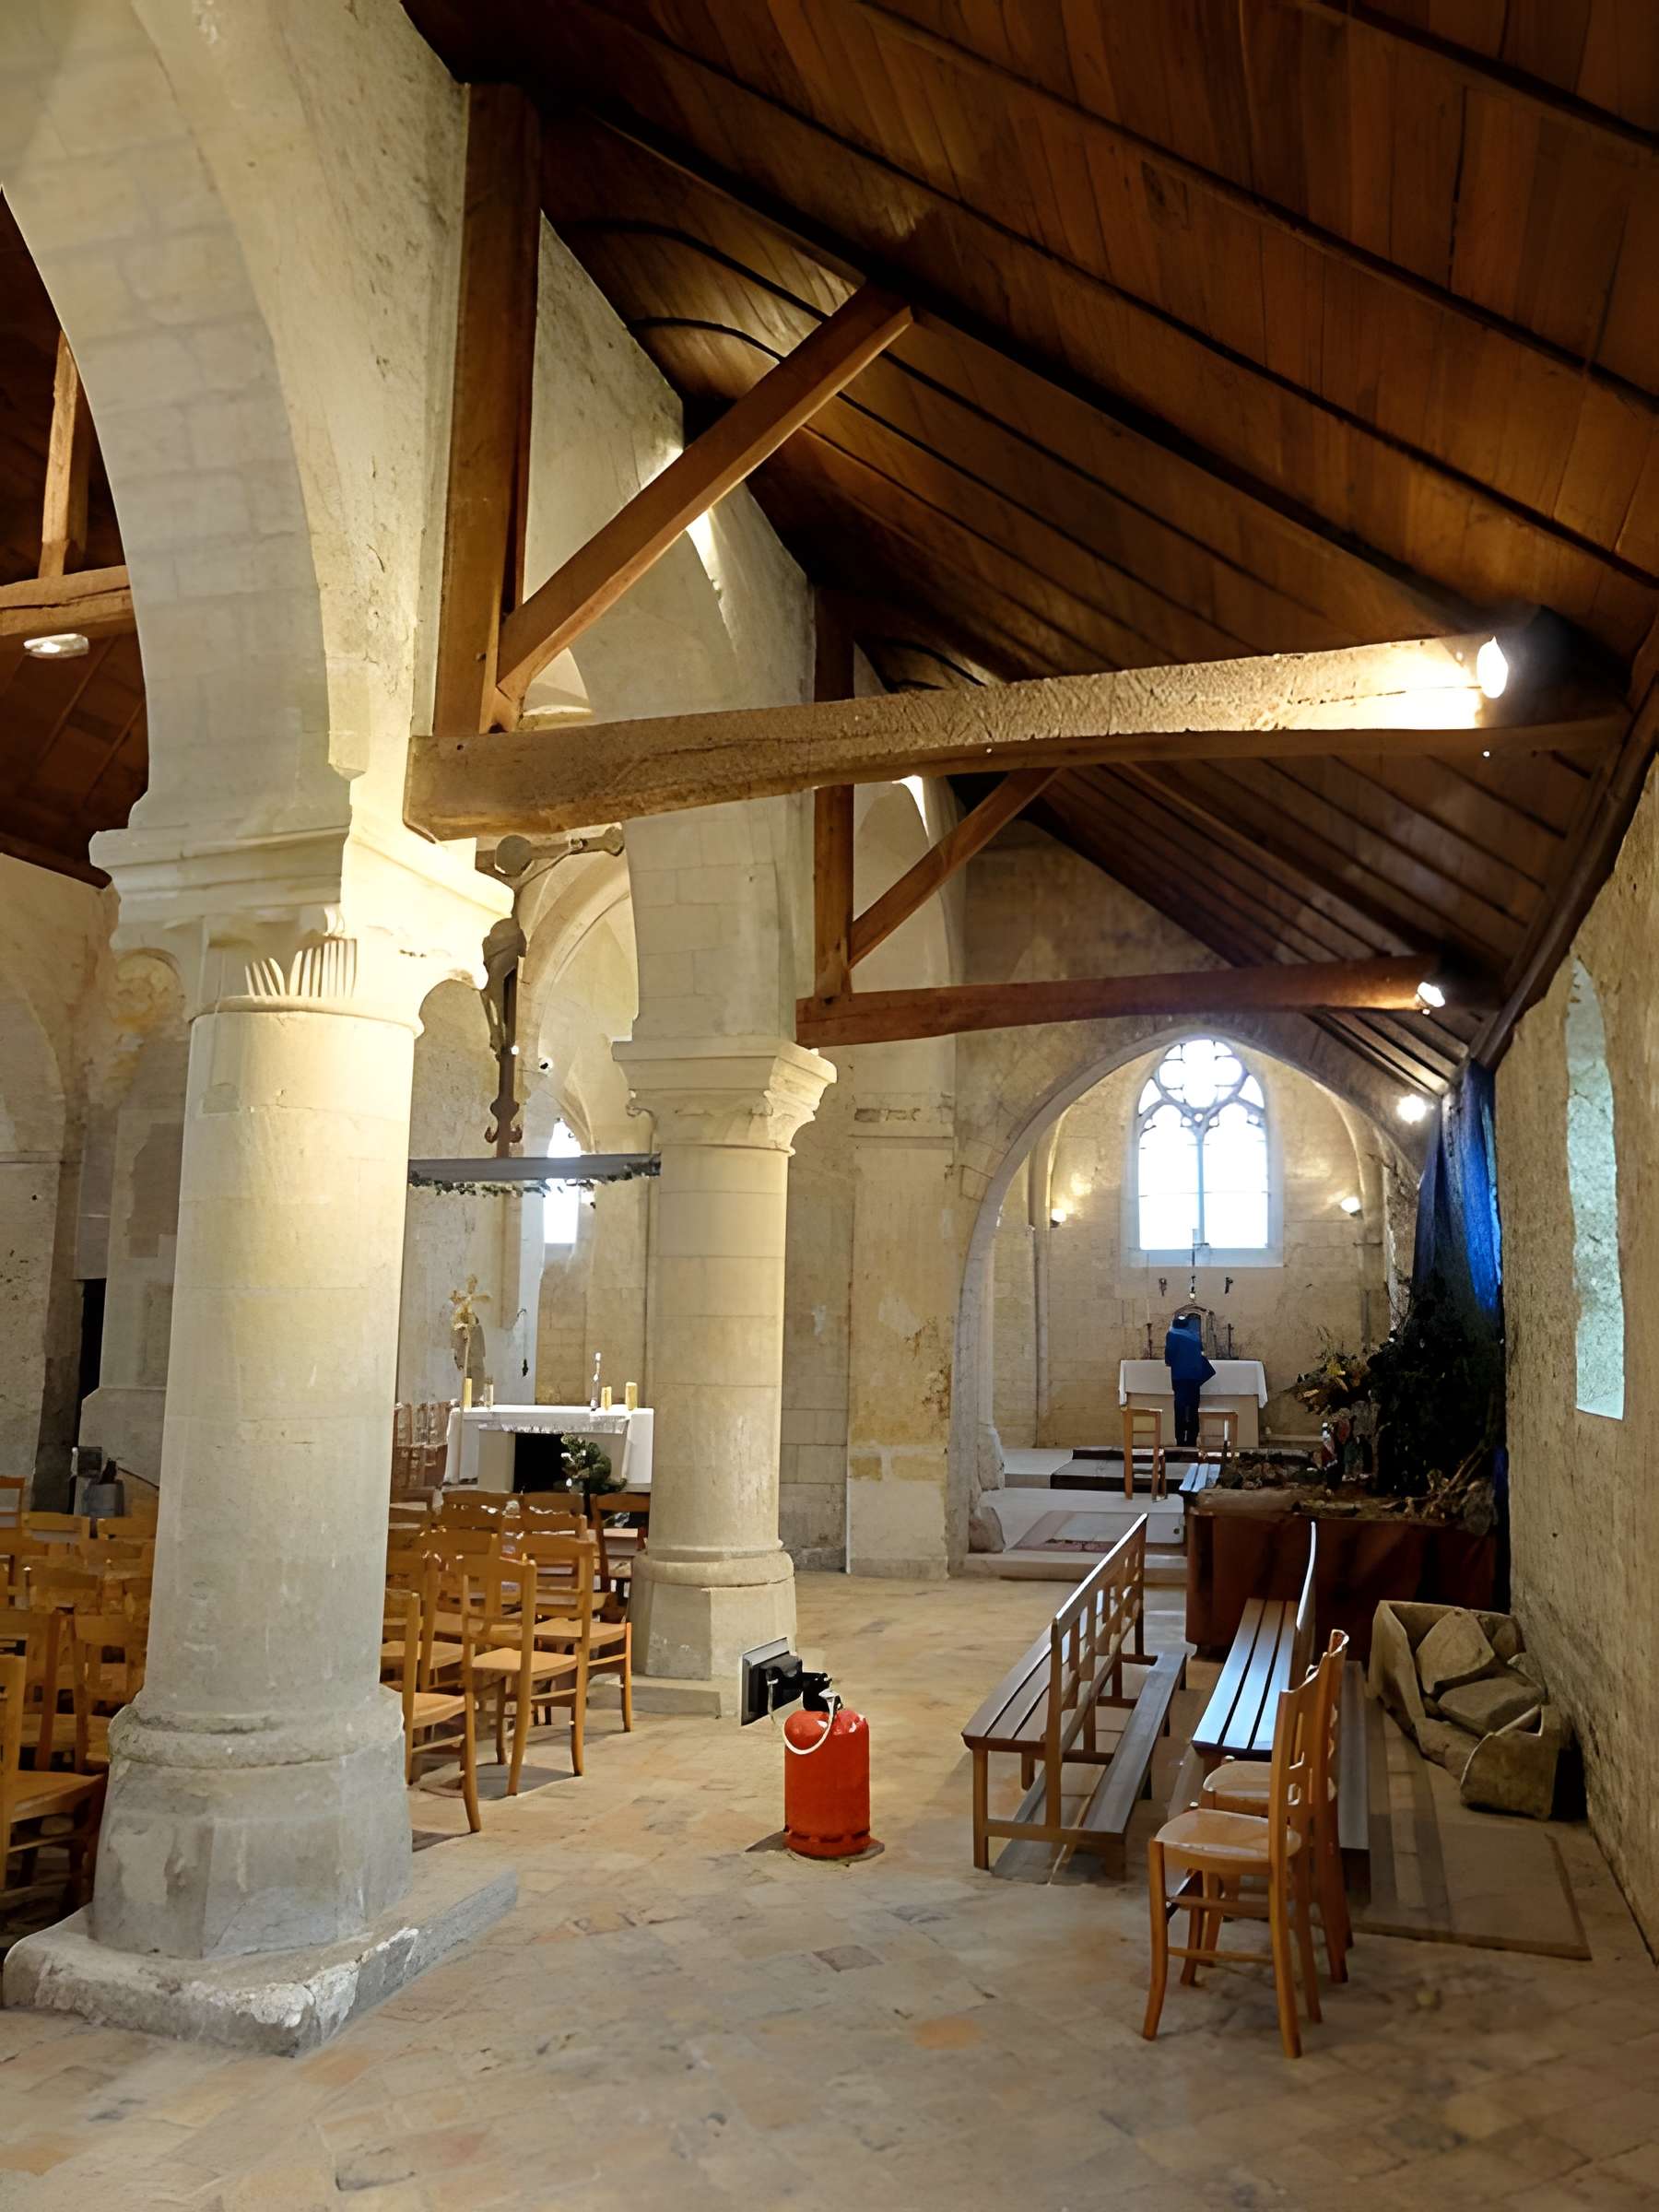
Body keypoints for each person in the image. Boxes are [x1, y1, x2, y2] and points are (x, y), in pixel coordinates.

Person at [1163, 1312, 1215, 1451]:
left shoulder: (1172, 1334)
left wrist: (1171, 1361)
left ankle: (1180, 1440)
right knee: (1193, 1408)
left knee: (1180, 1408)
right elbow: (1201, 1350)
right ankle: (1192, 1439)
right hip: (1195, 1377)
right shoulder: (1194, 1335)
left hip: (1180, 1377)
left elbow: (1169, 1357)